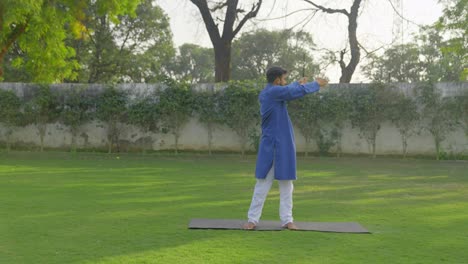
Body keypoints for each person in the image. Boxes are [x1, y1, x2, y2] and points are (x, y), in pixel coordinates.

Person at [243, 66, 328, 230]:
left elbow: (289, 90)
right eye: (283, 79)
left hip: (283, 144)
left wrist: (297, 84)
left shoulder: (274, 93)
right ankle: (252, 220)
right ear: (277, 81)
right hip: (271, 146)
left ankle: (287, 220)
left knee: (287, 184)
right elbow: (291, 92)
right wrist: (316, 84)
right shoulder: (271, 93)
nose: (285, 82)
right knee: (262, 184)